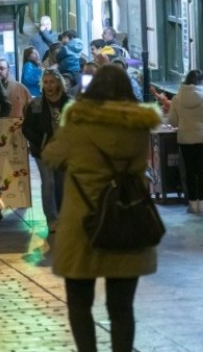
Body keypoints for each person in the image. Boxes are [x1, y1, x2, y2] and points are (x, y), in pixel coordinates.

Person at [42, 64, 162, 352]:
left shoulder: (77, 125)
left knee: (80, 305)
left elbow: (50, 155)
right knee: (122, 309)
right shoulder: (140, 126)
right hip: (128, 220)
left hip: (82, 224)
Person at [21, 68, 70, 233]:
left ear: (58, 83)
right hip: (42, 150)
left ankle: (63, 216)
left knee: (61, 184)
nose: (49, 85)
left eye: (52, 82)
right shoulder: (36, 104)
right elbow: (27, 128)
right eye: (46, 82)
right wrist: (40, 142)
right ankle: (51, 219)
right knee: (48, 182)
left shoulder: (69, 102)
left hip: (63, 150)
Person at [167, 69, 203, 214]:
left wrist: (182, 124)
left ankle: (193, 204)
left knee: (189, 170)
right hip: (202, 138)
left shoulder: (177, 98)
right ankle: (202, 203)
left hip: (185, 139)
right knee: (202, 171)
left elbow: (172, 121)